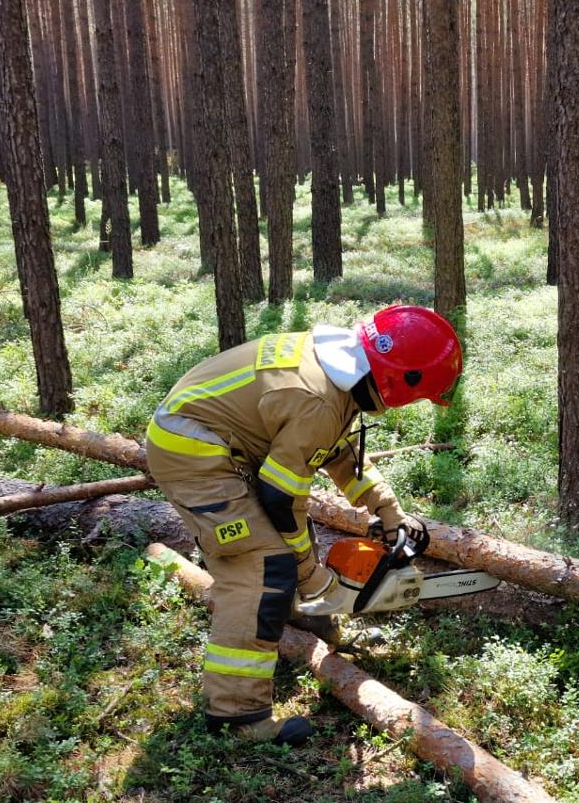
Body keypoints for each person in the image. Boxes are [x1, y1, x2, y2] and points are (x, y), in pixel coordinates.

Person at [145, 305, 462, 745]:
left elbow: (335, 449)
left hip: (221, 441)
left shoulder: (337, 373)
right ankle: (237, 718)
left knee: (287, 540)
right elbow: (279, 497)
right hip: (193, 453)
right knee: (260, 565)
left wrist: (388, 510)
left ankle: (301, 620)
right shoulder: (318, 400)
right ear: (400, 381)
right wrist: (312, 576)